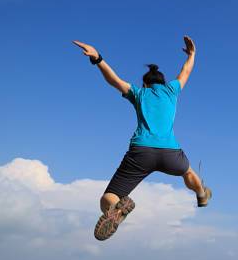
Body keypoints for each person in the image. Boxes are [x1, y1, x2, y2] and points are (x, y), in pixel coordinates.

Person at [73, 36, 212, 241]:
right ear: (163, 83)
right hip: (170, 153)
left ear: (145, 84)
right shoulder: (172, 91)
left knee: (107, 198)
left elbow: (115, 80)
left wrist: (98, 59)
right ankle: (202, 195)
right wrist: (192, 54)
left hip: (141, 152)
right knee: (188, 172)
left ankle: (116, 210)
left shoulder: (140, 93)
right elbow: (186, 72)